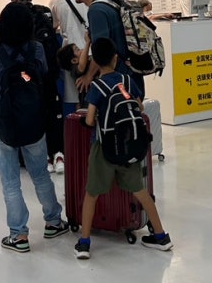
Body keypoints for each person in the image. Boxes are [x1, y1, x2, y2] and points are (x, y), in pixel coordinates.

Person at [0, 1, 69, 253]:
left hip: (3, 124)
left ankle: (18, 235)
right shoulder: (37, 49)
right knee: (40, 174)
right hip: (34, 120)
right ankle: (53, 221)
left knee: (10, 182)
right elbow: (44, 73)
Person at [73, 36, 173, 260]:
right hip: (130, 144)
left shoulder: (97, 86)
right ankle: (161, 236)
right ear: (115, 58)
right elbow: (139, 107)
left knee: (91, 194)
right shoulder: (127, 80)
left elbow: (89, 120)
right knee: (141, 192)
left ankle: (84, 243)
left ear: (96, 62)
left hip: (103, 148)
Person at [9, 0, 64, 173]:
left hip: (27, 77)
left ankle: (40, 158)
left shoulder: (14, 14)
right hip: (49, 74)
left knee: (33, 114)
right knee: (52, 113)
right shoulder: (44, 11)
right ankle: (58, 154)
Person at [73, 0, 144, 99]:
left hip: (120, 79)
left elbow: (101, 49)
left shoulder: (96, 10)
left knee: (122, 108)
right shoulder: (107, 2)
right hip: (130, 75)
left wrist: (88, 76)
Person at [49, 0, 89, 119]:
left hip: (71, 54)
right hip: (89, 49)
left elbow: (53, 25)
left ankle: (78, 128)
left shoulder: (56, 0)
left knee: (75, 98)